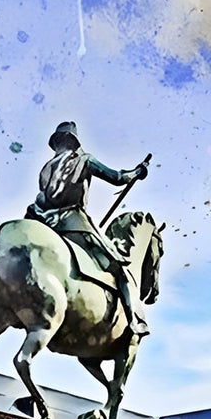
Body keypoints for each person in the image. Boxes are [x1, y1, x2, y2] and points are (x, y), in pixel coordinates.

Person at [25, 121, 150, 337]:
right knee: (119, 267)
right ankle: (135, 321)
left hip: (44, 223)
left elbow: (44, 198)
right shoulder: (84, 159)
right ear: (73, 141)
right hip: (73, 223)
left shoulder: (45, 169)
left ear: (57, 143)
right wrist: (137, 172)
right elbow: (117, 178)